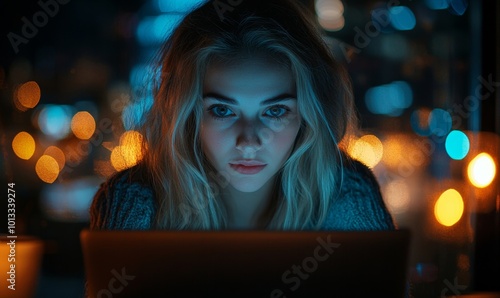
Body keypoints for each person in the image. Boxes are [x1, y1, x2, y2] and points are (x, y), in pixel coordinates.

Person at [90, 0, 395, 231]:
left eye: (275, 110)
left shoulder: (347, 195)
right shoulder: (137, 202)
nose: (248, 141)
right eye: (222, 110)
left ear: (307, 115)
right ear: (187, 115)